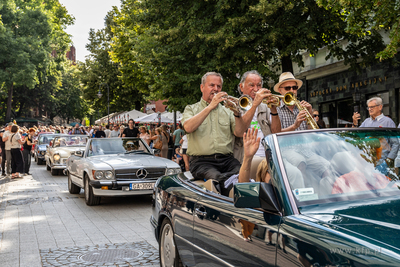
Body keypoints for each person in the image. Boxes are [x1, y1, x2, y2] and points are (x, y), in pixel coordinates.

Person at [181, 72, 252, 194]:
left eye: (219, 86)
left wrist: (236, 113)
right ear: (202, 87)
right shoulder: (191, 108)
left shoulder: (227, 110)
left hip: (227, 159)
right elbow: (188, 127)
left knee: (244, 175)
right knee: (217, 178)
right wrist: (210, 106)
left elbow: (239, 133)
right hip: (201, 162)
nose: (216, 89)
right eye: (211, 85)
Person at [274, 72, 330, 184]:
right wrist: (295, 126)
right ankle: (304, 198)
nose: (292, 90)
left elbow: (313, 134)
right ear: (280, 91)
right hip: (286, 150)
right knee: (301, 163)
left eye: (294, 88)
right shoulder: (275, 109)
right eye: (287, 88)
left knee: (327, 166)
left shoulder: (301, 107)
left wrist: (310, 113)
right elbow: (276, 133)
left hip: (304, 149)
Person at [234, 70, 281, 162]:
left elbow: (277, 133)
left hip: (269, 154)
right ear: (241, 87)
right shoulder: (234, 106)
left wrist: (273, 109)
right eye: (252, 85)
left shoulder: (265, 106)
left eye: (259, 85)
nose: (256, 89)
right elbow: (239, 131)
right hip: (246, 157)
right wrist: (255, 104)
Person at [353, 96, 398, 171]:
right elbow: (355, 136)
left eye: (372, 107)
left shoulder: (388, 122)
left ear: (380, 107)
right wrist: (355, 124)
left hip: (381, 164)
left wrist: (388, 161)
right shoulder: (366, 122)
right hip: (366, 163)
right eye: (368, 107)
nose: (370, 109)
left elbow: (395, 143)